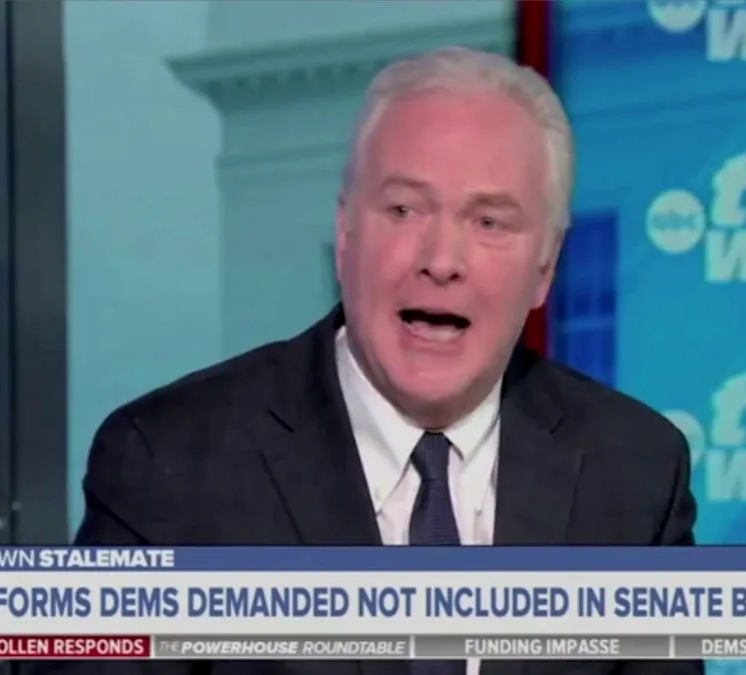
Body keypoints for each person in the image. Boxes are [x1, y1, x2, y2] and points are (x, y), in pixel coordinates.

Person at [54, 47, 701, 675]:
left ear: (546, 267)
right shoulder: (170, 464)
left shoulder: (635, 473)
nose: (442, 259)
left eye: (490, 222)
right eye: (404, 209)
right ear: (345, 235)